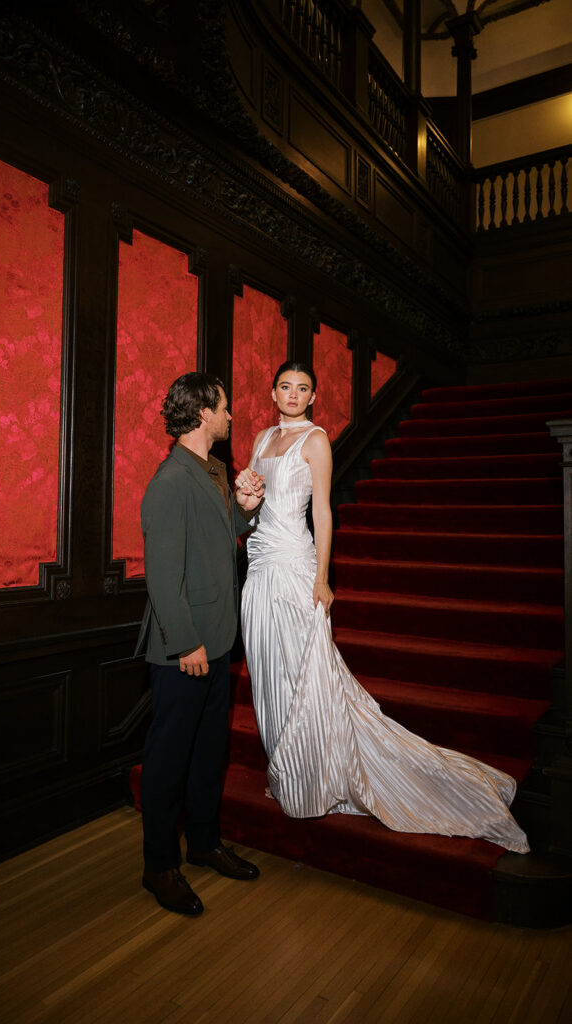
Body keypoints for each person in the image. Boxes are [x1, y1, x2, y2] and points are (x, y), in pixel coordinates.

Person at [236, 361, 529, 854]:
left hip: (294, 566)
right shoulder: (262, 439)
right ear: (273, 392)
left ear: (313, 397)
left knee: (305, 672)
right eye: (285, 386)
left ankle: (313, 776)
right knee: (270, 671)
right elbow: (252, 503)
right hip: (260, 566)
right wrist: (244, 498)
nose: (293, 394)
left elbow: (323, 512)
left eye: (302, 388)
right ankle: (287, 769)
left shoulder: (316, 441)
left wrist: (323, 578)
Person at [135, 371, 265, 916]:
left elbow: (218, 533)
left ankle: (205, 843)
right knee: (168, 760)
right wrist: (185, 642)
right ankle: (159, 866)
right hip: (184, 649)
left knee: (209, 752)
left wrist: (245, 507)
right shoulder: (170, 481)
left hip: (216, 638)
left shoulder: (212, 469)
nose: (231, 416)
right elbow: (163, 575)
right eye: (225, 407)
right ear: (204, 411)